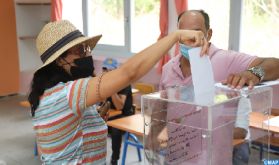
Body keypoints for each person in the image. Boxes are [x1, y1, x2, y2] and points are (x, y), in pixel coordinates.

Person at [28, 20, 208, 164]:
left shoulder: (52, 94)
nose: (86, 54)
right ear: (59, 61)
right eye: (79, 50)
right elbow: (129, 72)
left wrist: (91, 119)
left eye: (86, 48)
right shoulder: (68, 94)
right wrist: (175, 36)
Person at [159, 10, 279, 165]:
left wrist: (254, 73)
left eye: (196, 33)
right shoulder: (168, 69)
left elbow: (275, 64)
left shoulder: (225, 59)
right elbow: (161, 110)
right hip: (179, 155)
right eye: (184, 35)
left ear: (208, 34)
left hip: (214, 158)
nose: (190, 41)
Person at [101, 58, 134, 165]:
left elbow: (119, 106)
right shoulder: (104, 81)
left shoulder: (124, 83)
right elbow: (102, 102)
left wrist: (111, 89)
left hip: (125, 116)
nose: (107, 72)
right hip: (112, 114)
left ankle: (114, 158)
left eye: (110, 70)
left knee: (115, 130)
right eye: (105, 69)